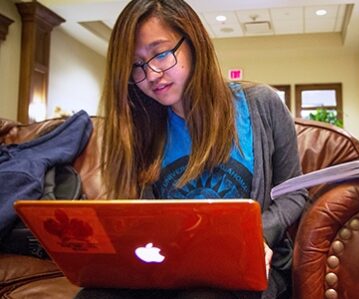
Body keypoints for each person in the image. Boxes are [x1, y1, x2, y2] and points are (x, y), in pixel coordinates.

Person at [76, 0, 308, 298]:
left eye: (161, 53)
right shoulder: (144, 127)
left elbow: (294, 192)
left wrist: (256, 236)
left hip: (246, 268)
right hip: (174, 268)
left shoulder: (262, 104)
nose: (151, 75)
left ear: (193, 42)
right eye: (136, 65)